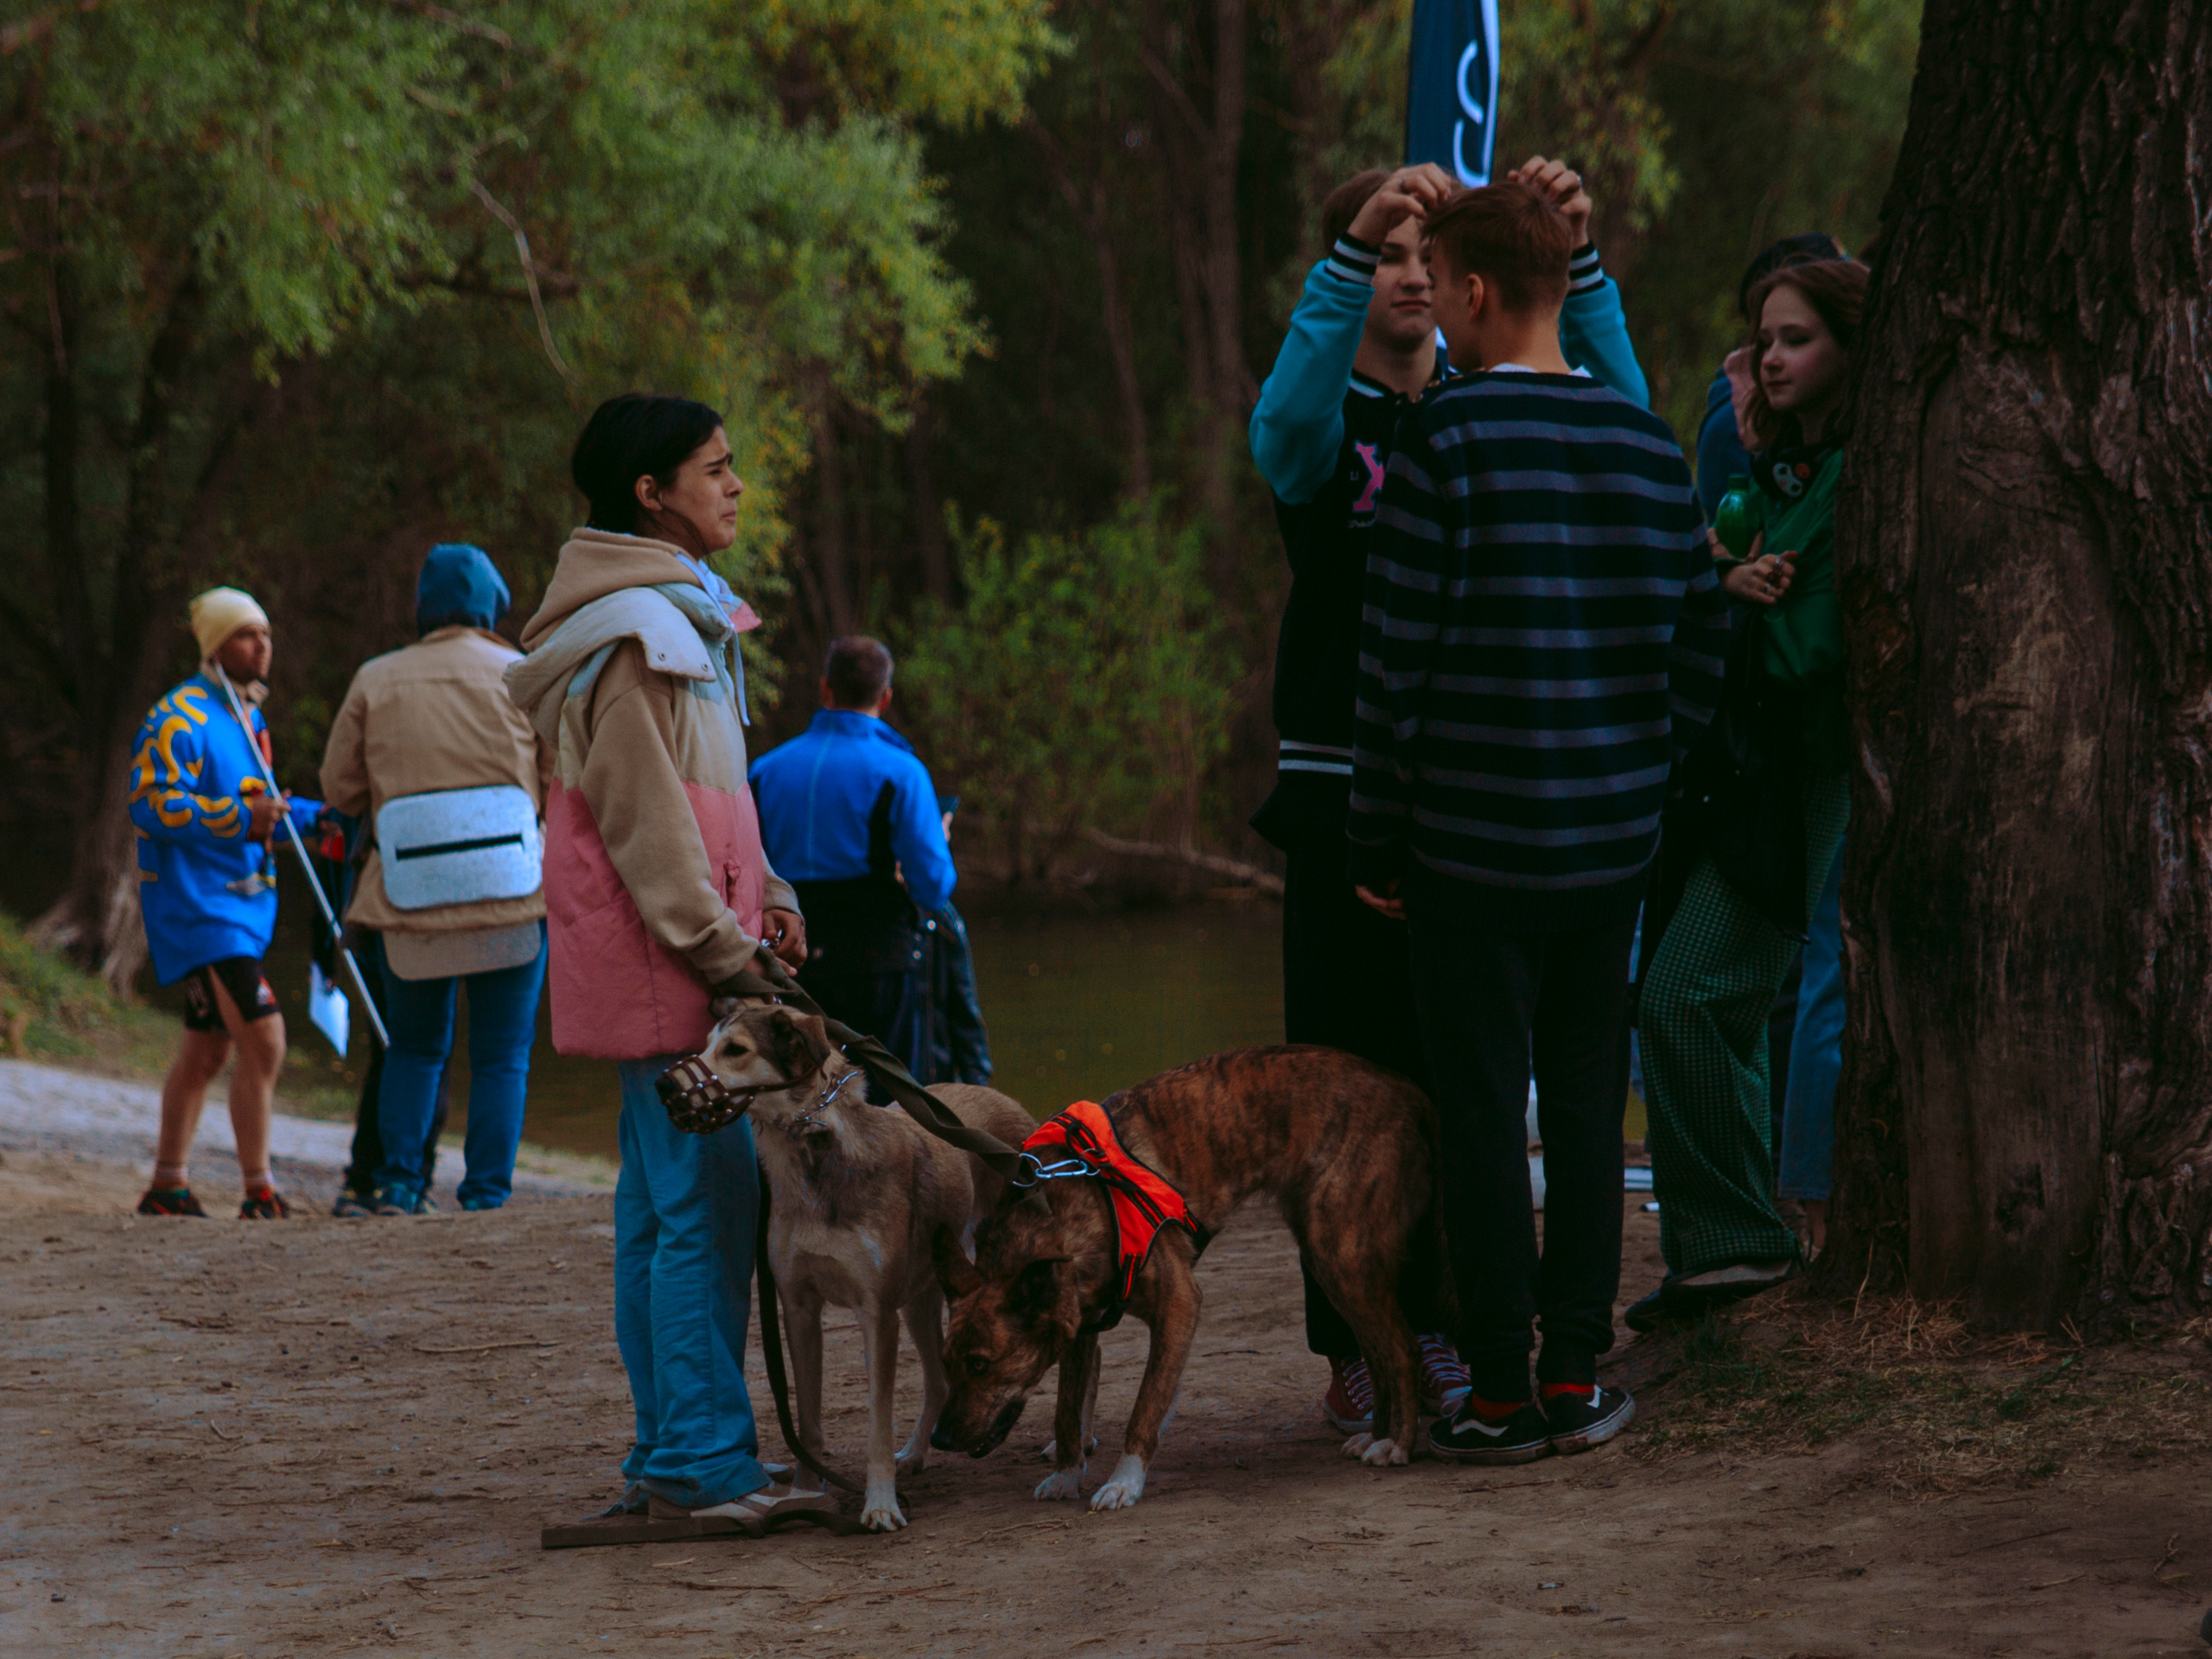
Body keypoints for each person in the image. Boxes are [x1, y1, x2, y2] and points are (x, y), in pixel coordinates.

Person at [1245, 152, 1650, 1433]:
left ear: (1472, 285)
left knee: (1465, 1092)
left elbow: (1629, 434)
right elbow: (1281, 435)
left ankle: (1475, 1343)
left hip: (1484, 814)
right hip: (1343, 801)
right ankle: (1358, 1349)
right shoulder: (1331, 424)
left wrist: (1580, 273)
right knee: (1345, 1095)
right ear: (1348, 280)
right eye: (1387, 258)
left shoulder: (1498, 409)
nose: (1412, 278)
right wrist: (1344, 256)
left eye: (1430, 260)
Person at [1348, 182, 1725, 1464]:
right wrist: (1638, 777)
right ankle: (1576, 1378)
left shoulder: (1442, 443)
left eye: (1442, 287)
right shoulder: (1645, 443)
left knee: (1479, 1116)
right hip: (1606, 850)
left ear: (1473, 295)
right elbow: (1701, 639)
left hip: (1465, 847)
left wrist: (1377, 838)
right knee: (1581, 1111)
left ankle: (1498, 1390)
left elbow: (1393, 664)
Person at [506, 391, 827, 1532]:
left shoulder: (667, 615)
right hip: (672, 966)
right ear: (652, 493)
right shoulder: (633, 634)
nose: (736, 485)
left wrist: (772, 900)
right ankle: (698, 1465)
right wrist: (726, 953)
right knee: (698, 1208)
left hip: (685, 952)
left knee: (663, 1207)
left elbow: (718, 801)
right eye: (716, 469)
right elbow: (646, 821)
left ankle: (675, 1453)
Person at [1630, 257, 1868, 1325]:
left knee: (1685, 996)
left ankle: (1741, 1240)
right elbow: (1718, 561)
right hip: (1734, 775)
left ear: (1852, 351)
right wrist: (1723, 580)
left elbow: (1815, 654)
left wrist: (1736, 602)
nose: (1772, 358)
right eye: (1763, 340)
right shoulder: (1777, 474)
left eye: (1797, 339)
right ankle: (1726, 1245)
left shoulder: (1852, 481)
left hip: (1800, 781)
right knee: (1701, 1001)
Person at [320, 543, 554, 1215]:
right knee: (503, 1056)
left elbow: (340, 787)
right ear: (489, 606)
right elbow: (557, 778)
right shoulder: (524, 673)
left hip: (409, 897)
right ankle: (485, 1196)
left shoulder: (376, 677)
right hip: (511, 894)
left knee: (417, 1048)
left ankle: (399, 1185)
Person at [129, 587, 326, 1220]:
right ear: (215, 645)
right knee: (265, 1038)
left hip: (243, 909)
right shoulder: (178, 717)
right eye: (245, 634)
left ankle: (167, 1187)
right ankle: (259, 1190)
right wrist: (240, 818)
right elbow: (151, 804)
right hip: (200, 909)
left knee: (209, 1048)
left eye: (265, 633)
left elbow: (263, 808)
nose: (261, 645)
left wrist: (325, 823)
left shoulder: (249, 718)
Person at [747, 636, 956, 1081]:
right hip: (876, 962)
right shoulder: (900, 771)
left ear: (825, 690)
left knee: (800, 1092)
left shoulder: (765, 770)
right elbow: (933, 888)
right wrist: (938, 838)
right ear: (885, 697)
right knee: (888, 1103)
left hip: (792, 957)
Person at [921, 801, 991, 1088]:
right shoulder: (940, 915)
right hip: (929, 1080)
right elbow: (965, 1013)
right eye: (944, 828)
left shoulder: (942, 916)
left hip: (934, 1079)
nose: (947, 838)